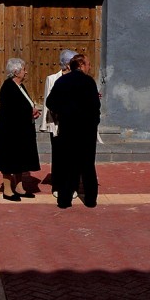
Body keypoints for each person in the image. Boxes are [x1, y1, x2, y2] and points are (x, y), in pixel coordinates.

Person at [45, 53, 101, 209]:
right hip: (87, 130)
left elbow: (50, 102)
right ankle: (90, 200)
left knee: (66, 165)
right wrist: (95, 121)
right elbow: (96, 106)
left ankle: (64, 200)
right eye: (88, 64)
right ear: (81, 65)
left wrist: (60, 112)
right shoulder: (89, 82)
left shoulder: (62, 81)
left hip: (68, 129)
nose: (90, 67)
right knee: (88, 165)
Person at [0, 58, 42, 201]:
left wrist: (32, 111)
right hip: (10, 132)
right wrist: (29, 112)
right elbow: (11, 111)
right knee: (9, 160)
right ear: (15, 72)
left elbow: (24, 105)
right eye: (23, 69)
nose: (25, 72)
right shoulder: (8, 87)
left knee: (21, 160)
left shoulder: (20, 86)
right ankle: (7, 190)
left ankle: (19, 187)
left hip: (22, 130)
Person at [41, 49, 77, 199]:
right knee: (59, 155)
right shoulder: (52, 79)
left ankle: (72, 186)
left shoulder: (79, 78)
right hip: (57, 123)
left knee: (74, 155)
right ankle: (57, 185)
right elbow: (48, 101)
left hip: (75, 124)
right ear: (68, 65)